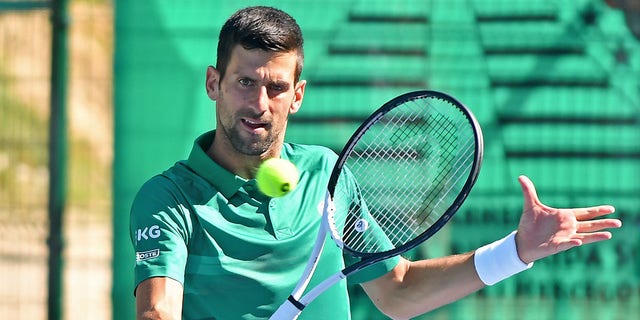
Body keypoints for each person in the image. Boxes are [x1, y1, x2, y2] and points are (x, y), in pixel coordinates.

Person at [130, 6, 622, 320]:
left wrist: (516, 251)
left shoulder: (328, 175)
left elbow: (399, 290)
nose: (259, 102)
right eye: (245, 82)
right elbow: (158, 310)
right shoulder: (169, 199)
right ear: (213, 83)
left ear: (297, 96)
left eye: (276, 87)